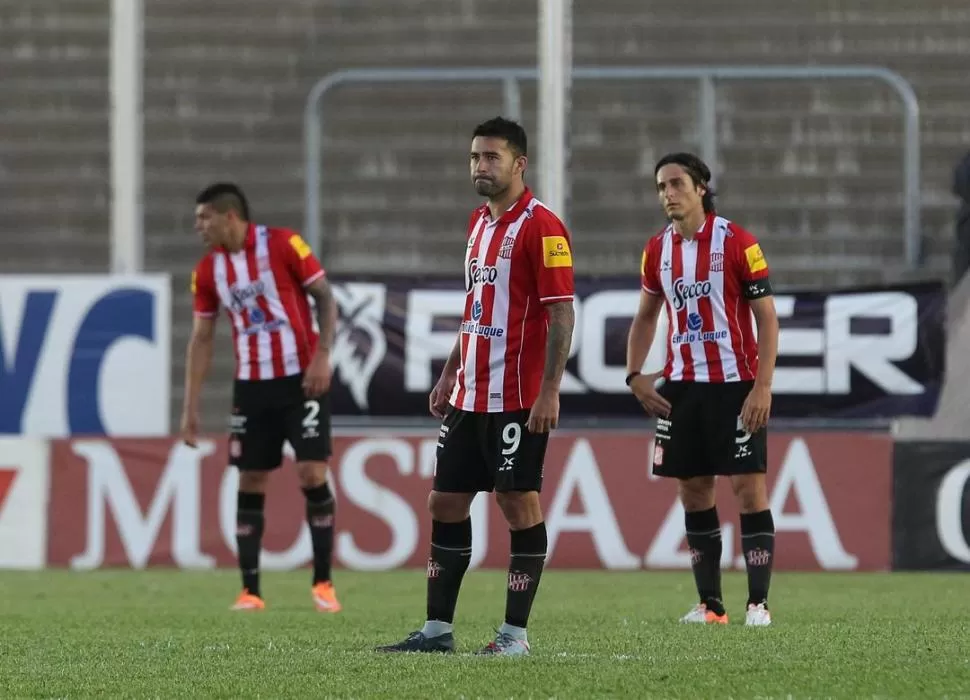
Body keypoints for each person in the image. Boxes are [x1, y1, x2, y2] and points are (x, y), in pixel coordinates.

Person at [376, 117, 576, 656]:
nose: (480, 166)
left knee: (517, 501)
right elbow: (476, 311)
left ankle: (514, 635)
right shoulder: (478, 225)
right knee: (444, 501)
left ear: (519, 164)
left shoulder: (543, 227)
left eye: (491, 157)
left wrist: (550, 389)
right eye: (474, 158)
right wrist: (448, 371)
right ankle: (437, 631)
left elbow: (561, 315)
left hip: (517, 396)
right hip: (469, 393)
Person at [625, 153, 780, 627]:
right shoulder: (657, 250)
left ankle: (759, 603)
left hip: (735, 387)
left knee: (749, 491)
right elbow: (646, 315)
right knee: (694, 492)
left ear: (700, 188)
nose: (667, 194)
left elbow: (767, 318)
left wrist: (762, 387)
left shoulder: (738, 243)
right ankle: (712, 605)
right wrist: (635, 375)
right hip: (683, 390)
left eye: (676, 184)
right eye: (660, 187)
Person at [180, 182, 341, 614]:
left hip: (302, 379)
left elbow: (325, 298)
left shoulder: (285, 244)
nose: (198, 227)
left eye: (204, 218)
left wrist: (323, 356)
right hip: (251, 387)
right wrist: (190, 406)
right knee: (251, 478)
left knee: (311, 472)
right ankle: (250, 590)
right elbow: (201, 339)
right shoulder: (208, 271)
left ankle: (323, 583)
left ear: (229, 217)